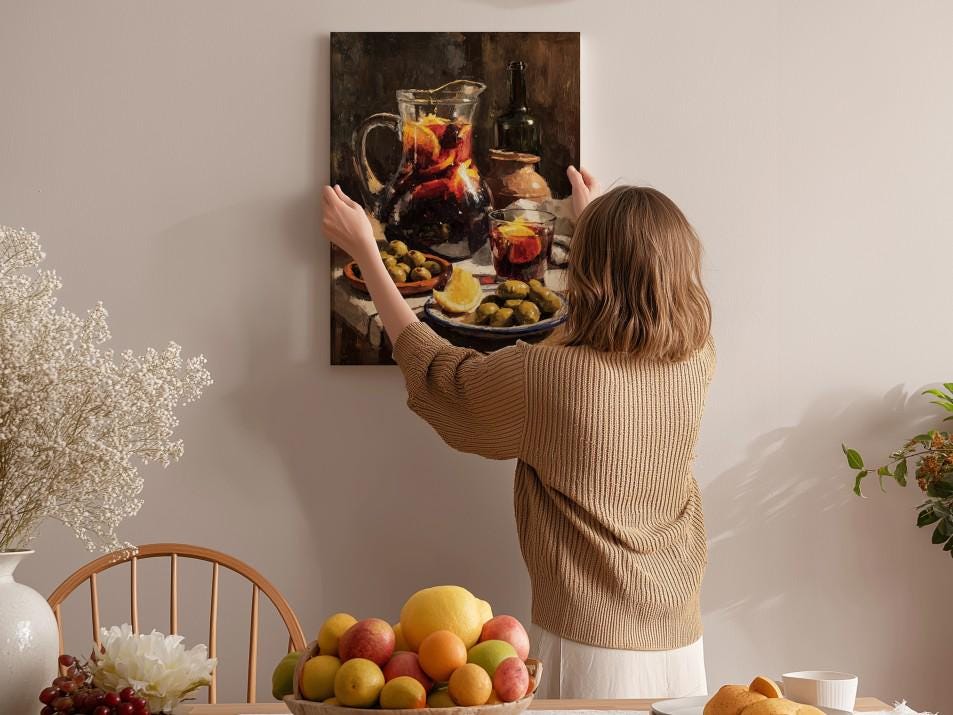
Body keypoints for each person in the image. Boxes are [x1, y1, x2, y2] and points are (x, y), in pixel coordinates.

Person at [321, 167, 715, 699]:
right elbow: (608, 331)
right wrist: (594, 226)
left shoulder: (548, 377)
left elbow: (441, 374)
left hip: (588, 644)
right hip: (681, 641)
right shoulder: (697, 358)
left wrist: (366, 251)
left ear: (587, 270)